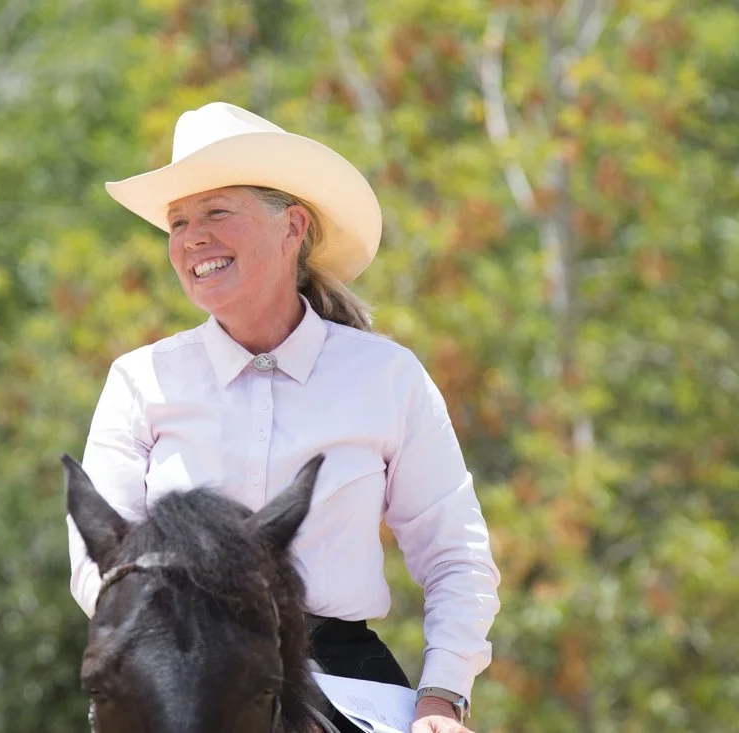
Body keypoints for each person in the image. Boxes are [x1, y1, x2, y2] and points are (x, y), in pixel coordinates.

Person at [67, 102, 501, 733]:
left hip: (347, 682)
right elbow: (94, 559)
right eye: (179, 221)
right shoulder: (140, 381)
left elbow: (455, 555)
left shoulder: (387, 376)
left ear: (292, 226)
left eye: (217, 212)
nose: (193, 238)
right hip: (176, 669)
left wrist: (443, 696)